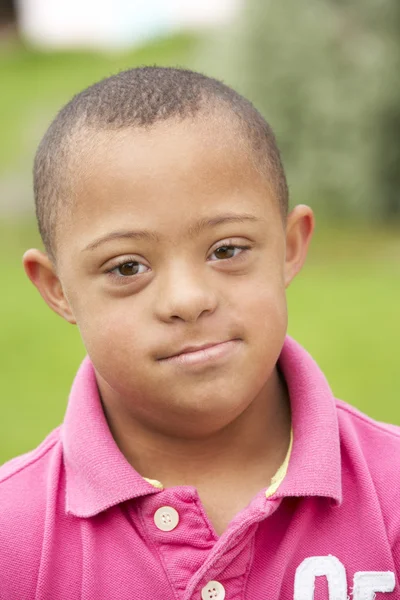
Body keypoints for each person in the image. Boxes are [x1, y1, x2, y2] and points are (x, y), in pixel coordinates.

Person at [0, 67, 398, 600]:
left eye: (227, 250)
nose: (187, 300)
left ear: (290, 245)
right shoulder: (14, 535)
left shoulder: (390, 492)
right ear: (58, 289)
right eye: (126, 267)